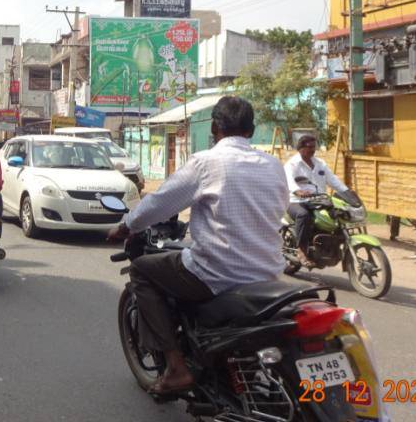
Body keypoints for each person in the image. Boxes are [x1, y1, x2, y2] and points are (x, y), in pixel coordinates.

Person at [106, 96, 288, 396]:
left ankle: (177, 367)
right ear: (251, 130)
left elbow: (159, 203)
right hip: (268, 277)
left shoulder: (207, 162)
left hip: (216, 275)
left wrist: (126, 226)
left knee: (141, 270)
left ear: (214, 127)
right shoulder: (273, 165)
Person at [284, 134, 348, 267]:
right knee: (304, 215)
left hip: (319, 200)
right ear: (301, 148)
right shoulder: (292, 164)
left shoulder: (320, 164)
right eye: (310, 147)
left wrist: (347, 192)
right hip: (295, 201)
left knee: (337, 215)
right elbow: (288, 181)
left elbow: (333, 180)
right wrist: (298, 191)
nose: (313, 149)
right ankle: (301, 250)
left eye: (314, 146)